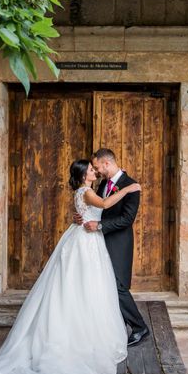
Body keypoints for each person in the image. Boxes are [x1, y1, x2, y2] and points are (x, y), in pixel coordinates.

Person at [0, 159, 141, 374]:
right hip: (85, 243)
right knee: (81, 285)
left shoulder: (88, 189)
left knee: (88, 286)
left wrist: (80, 216)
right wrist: (127, 189)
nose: (95, 171)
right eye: (92, 170)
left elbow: (91, 209)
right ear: (84, 175)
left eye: (95, 168)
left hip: (87, 239)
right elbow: (103, 203)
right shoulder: (88, 191)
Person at [75, 148, 149, 346]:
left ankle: (139, 327)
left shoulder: (130, 186)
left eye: (97, 167)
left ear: (106, 163)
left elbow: (127, 219)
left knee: (118, 286)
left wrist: (99, 225)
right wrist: (84, 216)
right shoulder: (103, 184)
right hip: (98, 242)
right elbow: (99, 208)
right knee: (102, 285)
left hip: (118, 243)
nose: (96, 171)